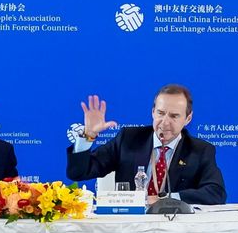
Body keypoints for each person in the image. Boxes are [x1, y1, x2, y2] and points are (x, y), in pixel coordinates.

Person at [68, 85, 226, 205]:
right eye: (161, 113)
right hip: (129, 227)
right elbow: (79, 172)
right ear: (152, 112)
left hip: (174, 229)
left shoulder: (200, 150)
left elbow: (215, 193)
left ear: (187, 119)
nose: (165, 122)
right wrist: (88, 135)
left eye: (174, 116)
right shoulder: (129, 139)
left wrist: (165, 199)